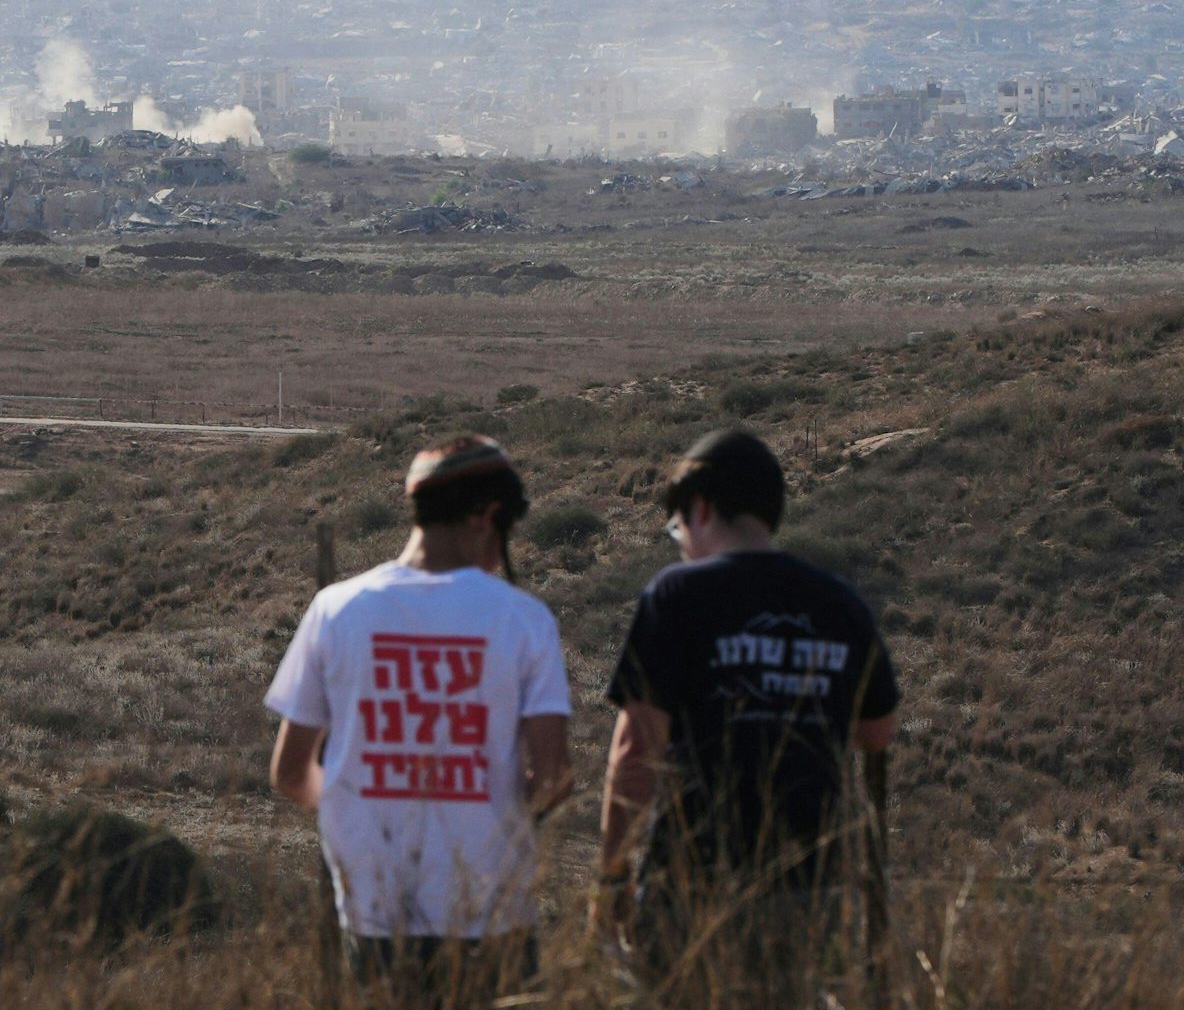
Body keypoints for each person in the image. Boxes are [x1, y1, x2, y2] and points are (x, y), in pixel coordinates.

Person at [592, 428, 900, 998]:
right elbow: (876, 731)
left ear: (701, 509)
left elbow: (636, 752)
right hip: (807, 880)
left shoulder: (677, 594)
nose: (681, 543)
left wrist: (612, 873)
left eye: (678, 528)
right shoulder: (839, 603)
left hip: (691, 877)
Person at [266, 436, 574, 1004]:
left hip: (374, 906)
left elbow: (289, 772)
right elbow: (553, 775)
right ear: (488, 518)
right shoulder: (524, 619)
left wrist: (355, 806)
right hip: (491, 908)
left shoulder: (335, 609)